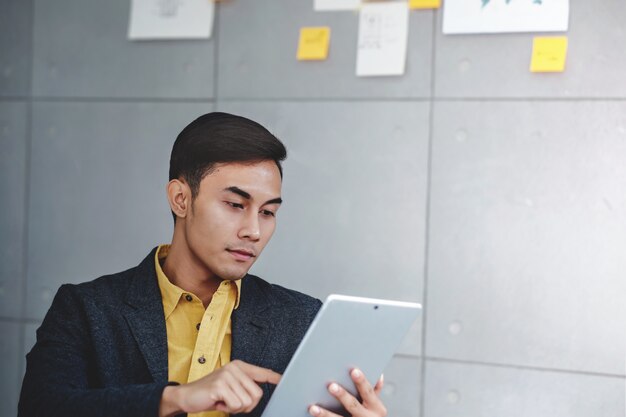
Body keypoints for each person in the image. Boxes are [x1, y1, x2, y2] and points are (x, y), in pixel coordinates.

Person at [18, 112, 388, 417]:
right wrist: (176, 397)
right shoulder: (87, 309)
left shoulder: (302, 320)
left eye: (268, 212)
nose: (254, 231)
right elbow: (41, 408)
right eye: (235, 204)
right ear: (181, 198)